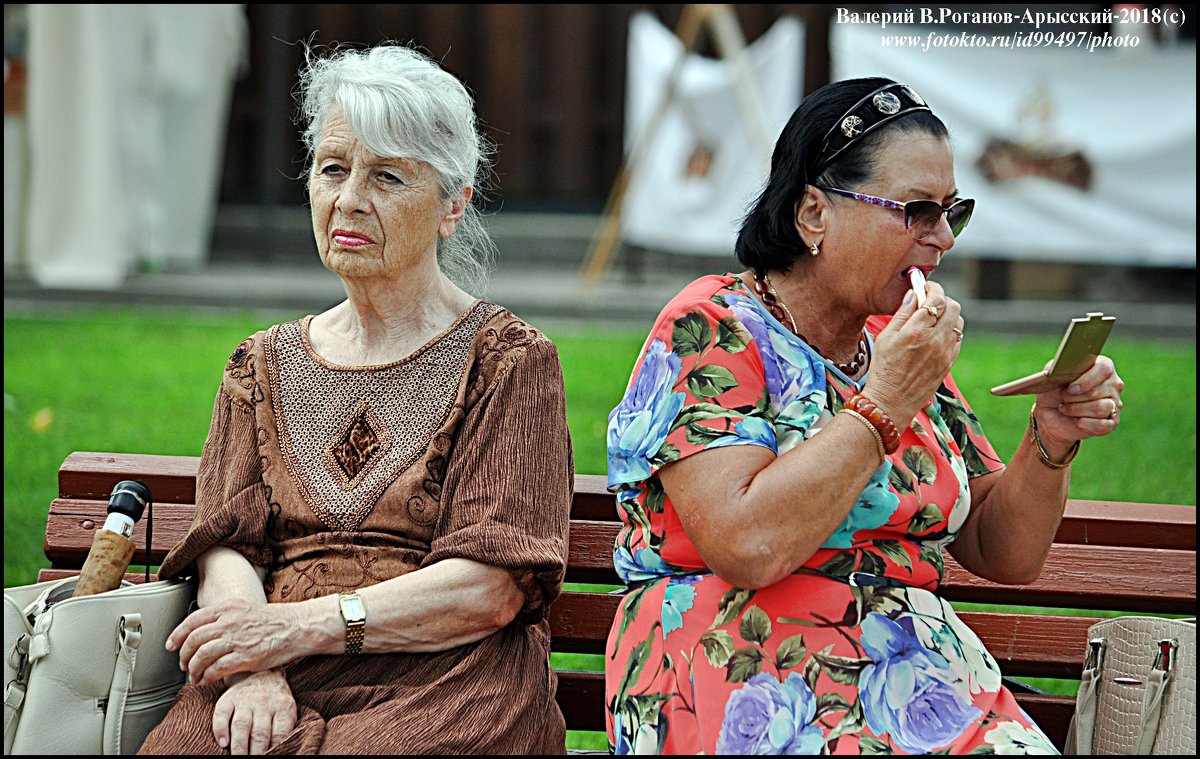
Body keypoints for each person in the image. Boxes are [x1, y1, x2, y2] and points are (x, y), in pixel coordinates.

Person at [603, 77, 1125, 755]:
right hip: (741, 664)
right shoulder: (712, 328)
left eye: (951, 211)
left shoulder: (892, 344)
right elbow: (748, 545)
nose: (943, 238)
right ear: (814, 213)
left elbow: (1006, 551)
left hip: (916, 679)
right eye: (916, 210)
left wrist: (1050, 437)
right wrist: (881, 405)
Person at [138, 42, 573, 756]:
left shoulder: (509, 361)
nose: (348, 199)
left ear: (452, 205)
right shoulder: (260, 363)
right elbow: (226, 549)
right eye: (333, 168)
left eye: (388, 176)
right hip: (270, 670)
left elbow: (489, 588)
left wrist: (291, 628)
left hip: (446, 683)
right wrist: (253, 664)